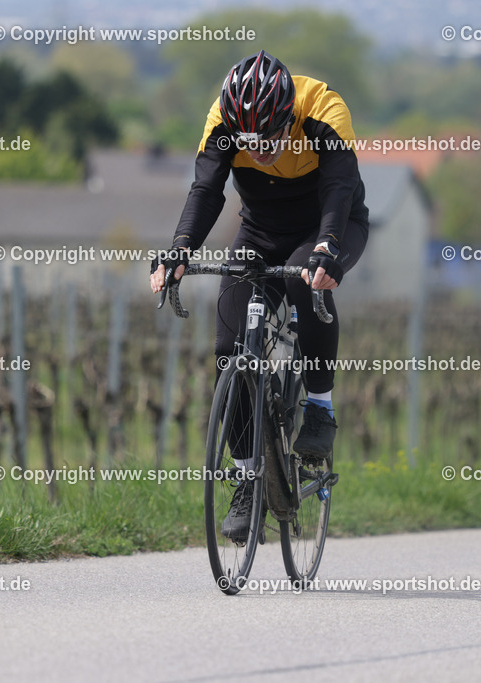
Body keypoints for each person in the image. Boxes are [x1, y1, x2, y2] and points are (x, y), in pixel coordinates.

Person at [150, 50, 369, 541]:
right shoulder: (223, 119)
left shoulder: (322, 109)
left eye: (270, 137)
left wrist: (327, 247)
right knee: (230, 351)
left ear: (288, 115)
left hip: (329, 225)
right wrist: (179, 250)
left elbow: (338, 187)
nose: (261, 148)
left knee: (300, 278)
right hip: (261, 230)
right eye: (251, 140)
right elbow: (207, 190)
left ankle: (318, 406)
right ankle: (249, 477)